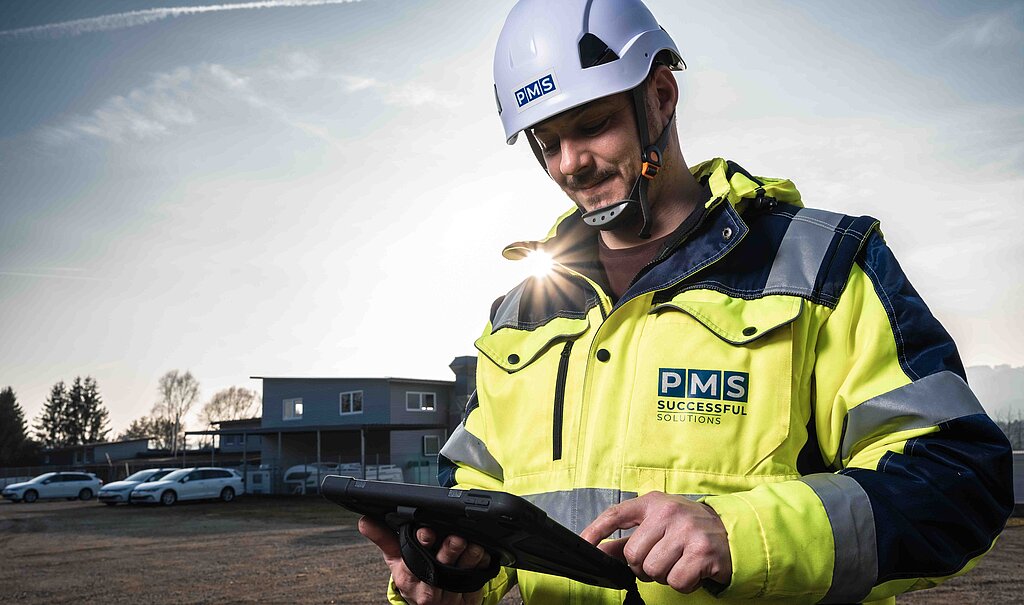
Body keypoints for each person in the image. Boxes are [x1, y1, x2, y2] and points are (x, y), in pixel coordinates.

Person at [359, 1, 1014, 603]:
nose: (570, 163)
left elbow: (959, 478)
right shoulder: (522, 313)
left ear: (662, 96)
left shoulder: (821, 265)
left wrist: (746, 534)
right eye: (546, 142)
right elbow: (479, 504)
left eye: (591, 125)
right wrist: (451, 570)